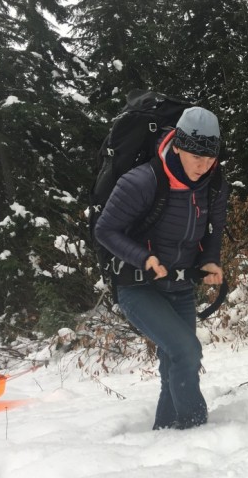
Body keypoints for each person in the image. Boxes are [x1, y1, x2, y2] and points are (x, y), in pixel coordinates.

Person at [94, 106, 229, 430]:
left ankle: (166, 432)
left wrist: (210, 260)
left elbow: (215, 227)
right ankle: (195, 426)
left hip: (180, 286)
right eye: (196, 156)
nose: (203, 165)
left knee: (174, 359)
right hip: (138, 287)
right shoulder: (141, 181)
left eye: (210, 157)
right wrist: (144, 258)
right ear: (178, 145)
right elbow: (105, 230)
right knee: (187, 351)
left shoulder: (214, 182)